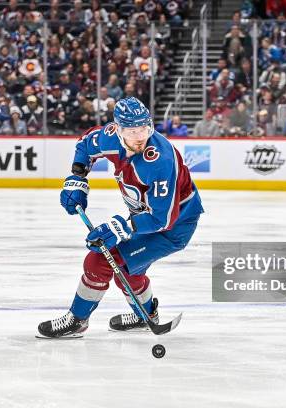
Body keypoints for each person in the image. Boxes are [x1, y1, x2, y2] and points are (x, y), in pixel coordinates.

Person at [37, 97, 204, 338]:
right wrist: (78, 179)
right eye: (132, 131)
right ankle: (144, 316)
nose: (140, 137)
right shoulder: (109, 137)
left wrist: (121, 227)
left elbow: (162, 220)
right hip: (146, 215)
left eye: (144, 129)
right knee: (129, 270)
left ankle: (77, 320)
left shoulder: (159, 161)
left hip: (174, 226)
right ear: (118, 129)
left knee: (99, 261)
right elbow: (85, 145)